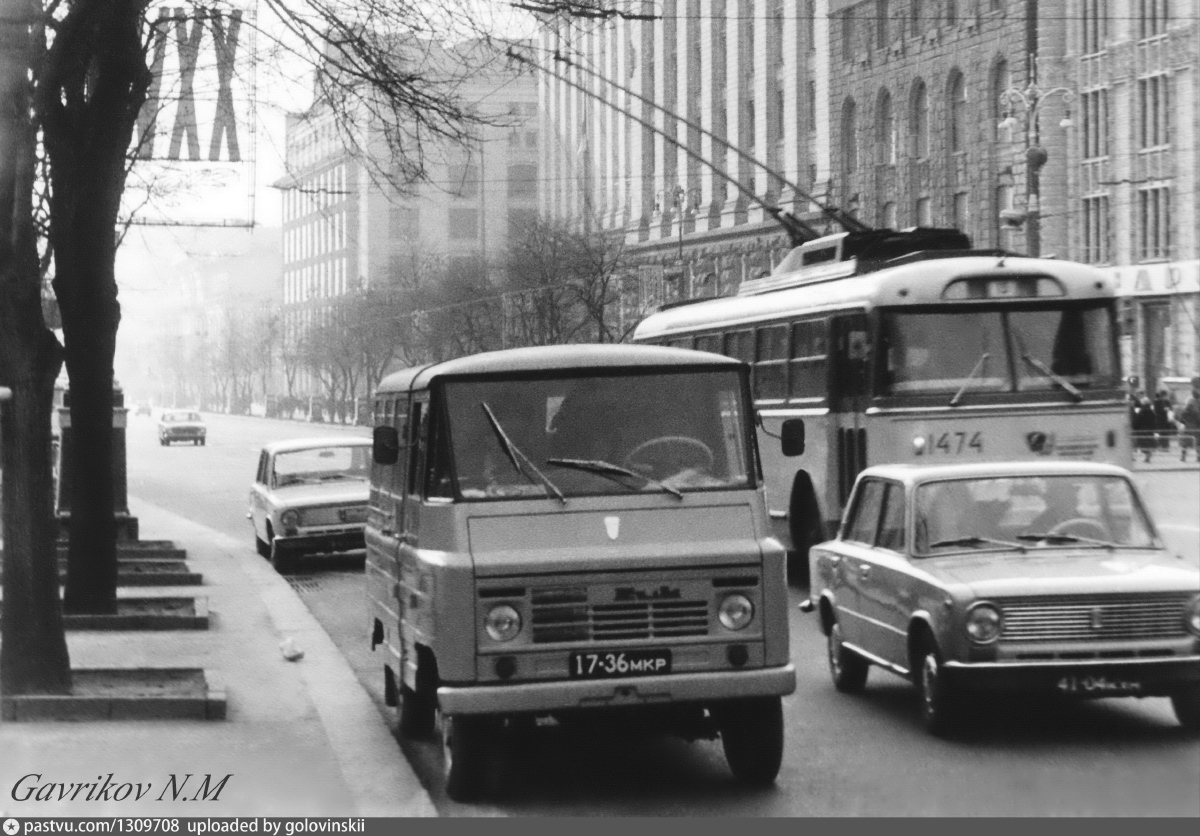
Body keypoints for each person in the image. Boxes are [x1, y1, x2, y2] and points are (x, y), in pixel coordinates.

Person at [1131, 391, 1156, 462]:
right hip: (1150, 431)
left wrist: (1134, 427)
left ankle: (1147, 456)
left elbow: (1137, 421)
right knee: (1148, 444)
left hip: (1142, 431)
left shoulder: (1141, 412)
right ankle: (1148, 456)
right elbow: (1154, 421)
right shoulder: (1152, 412)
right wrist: (1153, 429)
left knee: (1142, 444)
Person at [1178, 381, 1200, 462]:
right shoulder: (1197, 403)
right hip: (1197, 426)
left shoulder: (1189, 403)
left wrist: (1182, 422)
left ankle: (1183, 456)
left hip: (1188, 426)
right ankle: (1198, 457)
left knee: (1185, 442)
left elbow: (1183, 414)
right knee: (1198, 442)